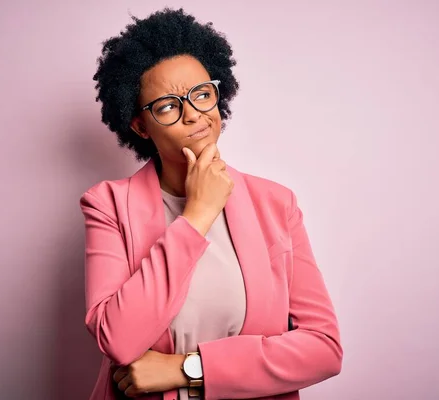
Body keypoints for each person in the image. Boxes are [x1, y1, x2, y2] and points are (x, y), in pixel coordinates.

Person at [81, 8, 342, 400]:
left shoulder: (276, 204)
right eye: (168, 106)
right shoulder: (107, 205)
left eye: (202, 95)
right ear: (140, 125)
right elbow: (118, 339)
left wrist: (187, 369)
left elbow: (324, 349)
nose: (194, 116)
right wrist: (198, 213)